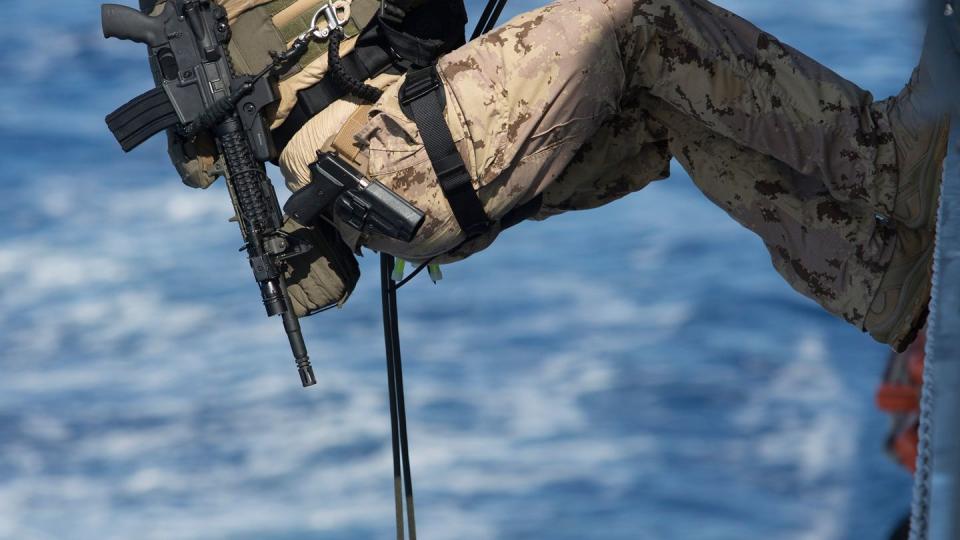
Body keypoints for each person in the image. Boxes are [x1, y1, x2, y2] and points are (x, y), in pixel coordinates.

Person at [171, 0, 953, 352]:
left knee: (662, 95)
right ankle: (886, 159)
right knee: (637, 16)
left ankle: (876, 277)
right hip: (400, 155)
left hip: (390, 187)